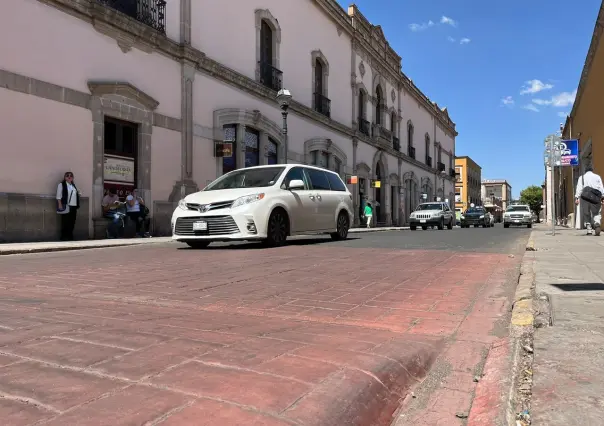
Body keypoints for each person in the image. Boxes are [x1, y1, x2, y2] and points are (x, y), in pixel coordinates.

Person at [575, 165, 604, 235]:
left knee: (586, 213)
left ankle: (589, 230)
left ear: (585, 171)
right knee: (596, 212)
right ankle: (597, 223)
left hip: (585, 198)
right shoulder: (597, 177)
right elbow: (601, 187)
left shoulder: (581, 178)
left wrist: (577, 198)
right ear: (592, 170)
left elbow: (579, 188)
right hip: (596, 198)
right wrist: (603, 197)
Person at [56, 172, 80, 240]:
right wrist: (60, 204)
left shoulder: (73, 185)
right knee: (65, 222)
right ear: (65, 177)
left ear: (73, 178)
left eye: (71, 176)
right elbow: (58, 195)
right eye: (67, 176)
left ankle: (70, 236)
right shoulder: (61, 185)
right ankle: (64, 237)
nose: (69, 177)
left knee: (72, 222)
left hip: (74, 206)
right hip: (66, 205)